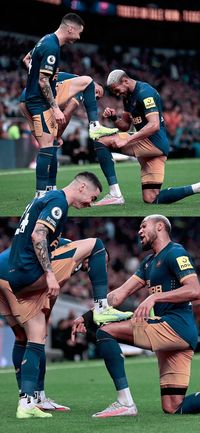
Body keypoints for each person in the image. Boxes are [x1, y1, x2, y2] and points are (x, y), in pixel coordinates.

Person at [6, 173, 132, 419]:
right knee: (96, 245)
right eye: (92, 197)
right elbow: (38, 236)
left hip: (13, 276)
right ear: (82, 186)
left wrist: (73, 253)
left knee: (31, 338)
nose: (91, 203)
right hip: (29, 272)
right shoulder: (59, 201)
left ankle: (30, 400)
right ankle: (102, 306)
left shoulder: (42, 200)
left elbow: (47, 238)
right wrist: (50, 274)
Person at [72, 215, 200, 418]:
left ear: (160, 227)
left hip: (176, 326)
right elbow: (118, 295)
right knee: (173, 406)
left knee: (106, 331)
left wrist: (155, 298)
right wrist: (87, 316)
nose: (139, 231)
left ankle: (125, 402)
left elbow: (195, 289)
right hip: (175, 335)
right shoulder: (149, 262)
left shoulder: (175, 252)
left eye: (143, 226)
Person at [22, 13, 117, 196]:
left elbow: (27, 59)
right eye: (79, 33)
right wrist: (56, 109)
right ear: (70, 29)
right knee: (47, 146)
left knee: (51, 144)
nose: (79, 37)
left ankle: (48, 189)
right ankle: (40, 194)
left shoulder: (45, 40)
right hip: (37, 100)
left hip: (32, 97)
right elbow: (43, 82)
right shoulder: (52, 46)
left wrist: (33, 74)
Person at [92, 69, 200, 206]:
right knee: (151, 198)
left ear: (125, 81)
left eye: (117, 90)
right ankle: (196, 188)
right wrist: (114, 117)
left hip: (153, 142)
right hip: (154, 148)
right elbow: (125, 125)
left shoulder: (145, 93)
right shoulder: (127, 96)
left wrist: (127, 140)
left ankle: (115, 194)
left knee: (101, 140)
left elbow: (154, 125)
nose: (117, 94)